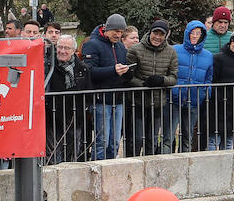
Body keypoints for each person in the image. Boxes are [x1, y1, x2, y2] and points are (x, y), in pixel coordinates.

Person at [81, 13, 132, 159]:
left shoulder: (121, 47)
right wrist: (113, 70)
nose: (118, 34)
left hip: (118, 99)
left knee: (115, 142)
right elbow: (89, 71)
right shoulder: (92, 44)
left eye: (121, 32)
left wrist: (128, 72)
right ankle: (98, 173)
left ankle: (112, 172)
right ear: (107, 28)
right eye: (116, 31)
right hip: (100, 101)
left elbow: (122, 72)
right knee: (101, 141)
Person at [126, 19, 177, 156]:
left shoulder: (171, 52)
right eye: (155, 33)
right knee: (136, 139)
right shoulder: (135, 50)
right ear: (150, 33)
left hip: (158, 103)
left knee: (152, 139)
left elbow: (173, 77)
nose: (158, 37)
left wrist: (161, 80)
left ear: (165, 36)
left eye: (161, 34)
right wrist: (143, 84)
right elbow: (128, 76)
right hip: (138, 102)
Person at [167, 20, 213, 153]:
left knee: (187, 136)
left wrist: (204, 94)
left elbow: (208, 79)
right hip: (173, 99)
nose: (194, 36)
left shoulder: (208, 56)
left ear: (202, 36)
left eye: (198, 33)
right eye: (192, 33)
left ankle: (185, 162)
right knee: (168, 135)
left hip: (193, 100)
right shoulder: (174, 50)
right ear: (187, 33)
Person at [45, 34, 87, 163]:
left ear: (74, 51)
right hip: (52, 118)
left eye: (66, 48)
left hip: (74, 118)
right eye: (60, 47)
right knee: (52, 155)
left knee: (72, 153)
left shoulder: (82, 68)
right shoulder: (48, 66)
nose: (62, 51)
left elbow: (88, 91)